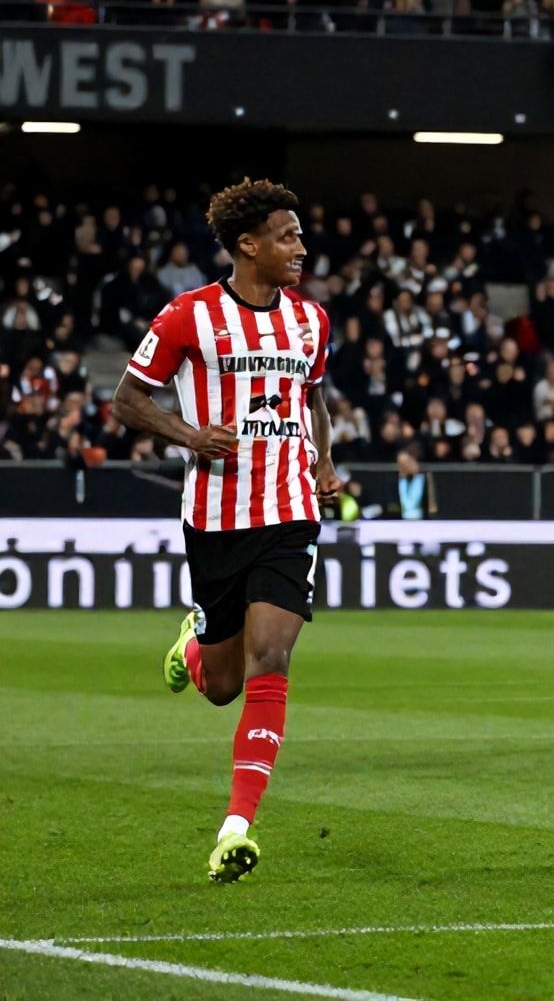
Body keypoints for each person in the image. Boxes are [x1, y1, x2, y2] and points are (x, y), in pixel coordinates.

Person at [111, 178, 339, 883]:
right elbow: (128, 400)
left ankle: (237, 826)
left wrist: (325, 460)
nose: (300, 247)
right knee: (221, 686)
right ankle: (195, 645)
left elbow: (313, 400)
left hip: (289, 513)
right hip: (214, 517)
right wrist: (189, 435)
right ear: (248, 244)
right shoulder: (189, 317)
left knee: (273, 656)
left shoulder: (311, 322)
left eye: (300, 235)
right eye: (287, 236)